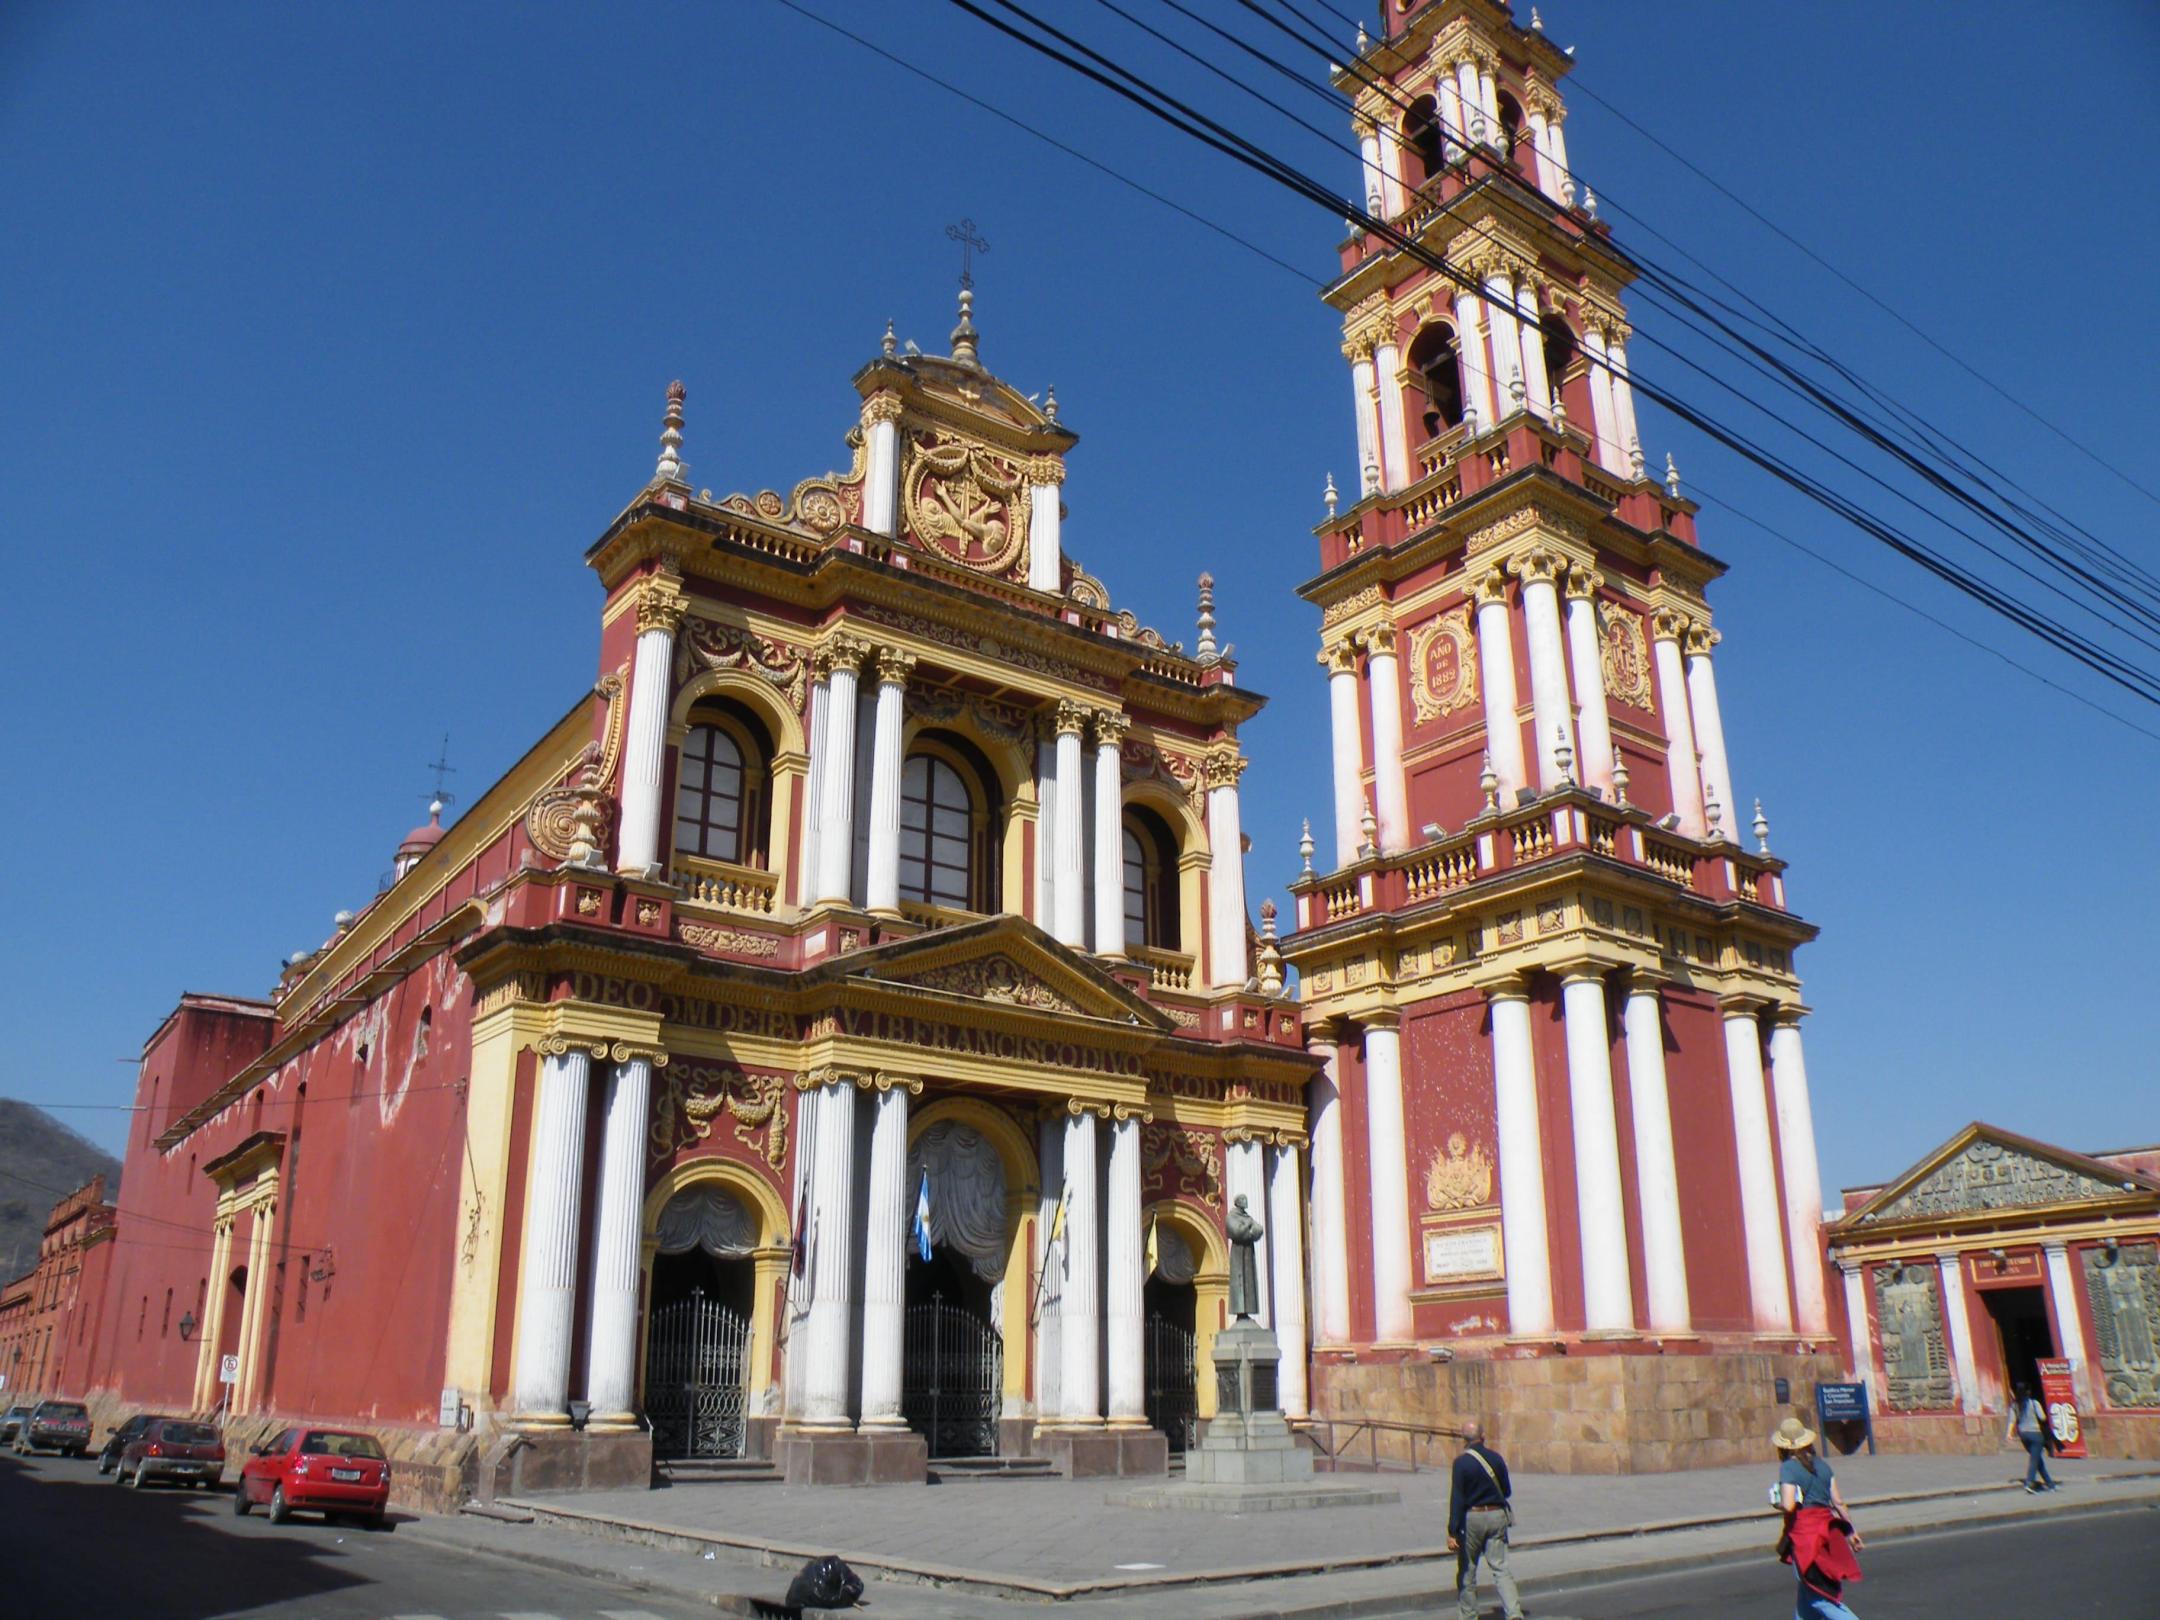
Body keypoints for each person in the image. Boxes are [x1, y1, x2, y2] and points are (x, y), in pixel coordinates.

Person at [1774, 1416, 1864, 1620]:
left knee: (1819, 1599)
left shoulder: (1789, 1468)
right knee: (1807, 1601)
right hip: (1828, 1532)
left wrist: (1776, 1502)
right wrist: (1852, 1533)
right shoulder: (1823, 1466)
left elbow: (1788, 1505)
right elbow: (1838, 1502)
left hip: (1806, 1537)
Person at [1447, 1419, 1523, 1620]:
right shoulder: (1496, 1459)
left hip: (1473, 1518)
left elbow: (1457, 1498)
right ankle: (1514, 1613)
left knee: (1468, 1571)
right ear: (1483, 1437)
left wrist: (1452, 1531)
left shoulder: (1461, 1463)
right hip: (1497, 1515)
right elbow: (1506, 1491)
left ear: (1464, 1439)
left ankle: (1470, 1615)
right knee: (1500, 1568)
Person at [2007, 1383, 2056, 1494]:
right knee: (2035, 1459)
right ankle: (2030, 1482)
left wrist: (2009, 1434)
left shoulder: (2014, 1405)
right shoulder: (2034, 1403)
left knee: (2038, 1459)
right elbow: (2042, 1417)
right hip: (2036, 1434)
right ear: (2028, 1392)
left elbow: (2012, 1421)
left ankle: (2050, 1484)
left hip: (2024, 1435)